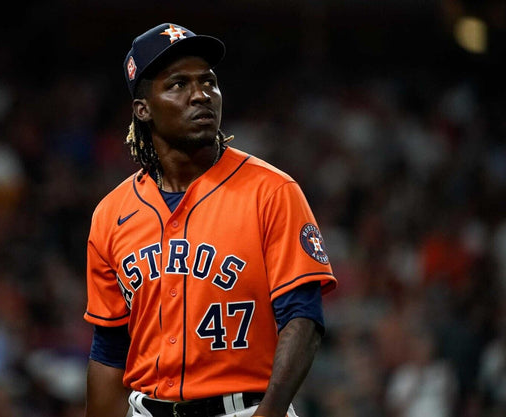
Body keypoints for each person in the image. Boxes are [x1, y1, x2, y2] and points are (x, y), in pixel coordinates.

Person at [84, 23, 337, 417]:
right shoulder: (111, 214)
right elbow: (109, 348)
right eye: (178, 85)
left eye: (209, 82)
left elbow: (303, 317)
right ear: (143, 109)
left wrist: (269, 414)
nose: (201, 95)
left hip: (246, 409)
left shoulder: (271, 191)